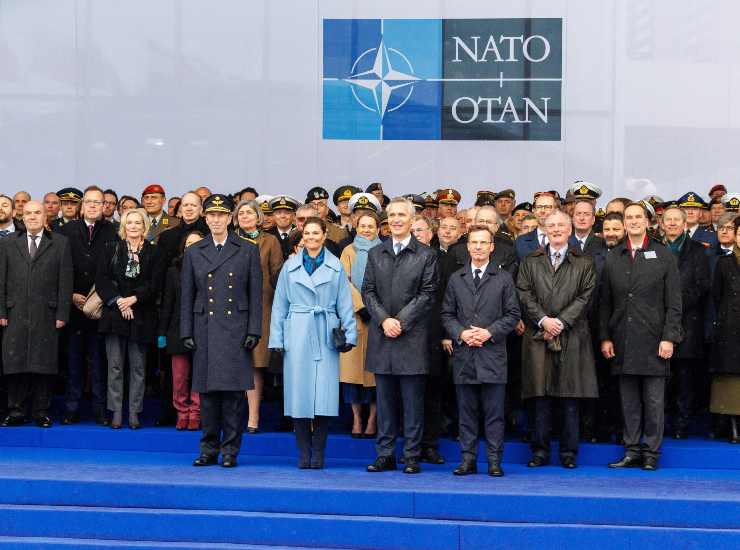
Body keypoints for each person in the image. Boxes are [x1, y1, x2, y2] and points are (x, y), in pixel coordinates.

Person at [181, 194, 262, 469]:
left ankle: (230, 451)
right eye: (211, 215)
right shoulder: (194, 251)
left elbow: (255, 295)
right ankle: (208, 449)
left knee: (233, 396)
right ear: (205, 219)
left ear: (230, 218)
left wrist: (254, 330)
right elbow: (187, 295)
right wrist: (186, 331)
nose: (216, 220)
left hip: (235, 328)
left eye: (221, 215)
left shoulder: (247, 249)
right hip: (205, 328)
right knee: (207, 395)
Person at [601, 203, 683, 471]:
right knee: (629, 402)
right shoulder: (615, 255)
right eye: (629, 217)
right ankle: (632, 450)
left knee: (654, 401)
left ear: (648, 221)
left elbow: (674, 303)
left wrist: (669, 337)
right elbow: (605, 302)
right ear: (624, 223)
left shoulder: (663, 254)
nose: (634, 221)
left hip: (654, 340)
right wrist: (605, 337)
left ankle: (651, 453)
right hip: (622, 339)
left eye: (638, 216)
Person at [269, 216, 356, 468]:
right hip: (297, 331)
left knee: (323, 395)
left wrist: (349, 335)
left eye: (316, 233)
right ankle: (303, 452)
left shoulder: (336, 266)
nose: (311, 237)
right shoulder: (289, 266)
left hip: (325, 332)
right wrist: (277, 338)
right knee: (298, 395)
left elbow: (345, 302)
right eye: (307, 233)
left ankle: (318, 452)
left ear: (325, 235)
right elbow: (279, 305)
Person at [516, 210, 597, 468]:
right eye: (551, 226)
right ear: (545, 230)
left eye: (562, 225)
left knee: (569, 397)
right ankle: (539, 452)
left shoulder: (584, 262)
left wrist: (560, 322)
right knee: (540, 397)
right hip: (538, 335)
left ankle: (568, 453)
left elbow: (586, 296)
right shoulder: (530, 261)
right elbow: (523, 293)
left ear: (570, 230)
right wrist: (544, 320)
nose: (557, 229)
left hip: (572, 336)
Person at [362, 198, 438, 474]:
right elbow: (368, 291)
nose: (395, 219)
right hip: (383, 336)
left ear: (411, 219)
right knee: (384, 403)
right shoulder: (376, 253)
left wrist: (400, 322)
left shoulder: (426, 254)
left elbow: (427, 294)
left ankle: (411, 455)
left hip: (412, 338)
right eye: (391, 215)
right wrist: (384, 320)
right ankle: (385, 454)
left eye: (401, 215)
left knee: (412, 403)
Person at [441, 225, 520, 476]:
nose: (478, 247)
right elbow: (447, 314)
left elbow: (513, 314)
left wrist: (489, 332)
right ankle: (468, 460)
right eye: (474, 242)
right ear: (467, 246)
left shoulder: (503, 278)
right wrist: (461, 333)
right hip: (465, 355)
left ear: (491, 247)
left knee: (494, 414)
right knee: (466, 413)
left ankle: (494, 461)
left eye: (483, 242)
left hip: (492, 354)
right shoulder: (456, 278)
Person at [0, 201, 73, 427]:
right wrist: (1, 311)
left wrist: (62, 313)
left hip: (47, 313)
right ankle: (16, 411)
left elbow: (66, 281)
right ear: (21, 217)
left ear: (45, 217)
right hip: (15, 312)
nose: (32, 217)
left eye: (37, 213)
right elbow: (1, 280)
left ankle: (41, 411)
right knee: (16, 363)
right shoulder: (7, 243)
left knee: (44, 364)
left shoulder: (60, 243)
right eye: (28, 213)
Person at [96, 208, 164, 429]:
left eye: (138, 222)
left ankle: (134, 412)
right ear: (124, 226)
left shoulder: (155, 252)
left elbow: (155, 284)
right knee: (115, 367)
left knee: (138, 368)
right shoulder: (111, 248)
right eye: (130, 222)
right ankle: (116, 411)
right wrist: (119, 301)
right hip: (114, 315)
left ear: (145, 226)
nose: (133, 226)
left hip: (141, 316)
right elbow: (102, 280)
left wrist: (133, 299)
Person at [61, 186, 119, 425]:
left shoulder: (114, 231)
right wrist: (71, 294)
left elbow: (115, 271)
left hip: (100, 308)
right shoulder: (66, 231)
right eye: (89, 202)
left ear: (105, 206)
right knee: (73, 363)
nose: (94, 206)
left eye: (98, 202)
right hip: (73, 306)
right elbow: (59, 269)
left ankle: (100, 410)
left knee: (99, 364)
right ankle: (71, 409)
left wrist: (100, 297)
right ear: (82, 206)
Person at [660, 206, 711, 439]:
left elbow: (702, 286)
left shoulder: (699, 250)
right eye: (668, 220)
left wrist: (674, 305)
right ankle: (661, 424)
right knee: (661, 380)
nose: (672, 223)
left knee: (684, 379)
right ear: (662, 224)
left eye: (676, 220)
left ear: (684, 224)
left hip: (688, 324)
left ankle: (681, 425)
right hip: (658, 323)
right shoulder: (653, 249)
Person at [234, 199, 283, 433]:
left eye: (249, 212)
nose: (245, 216)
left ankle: (253, 417)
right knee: (232, 363)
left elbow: (278, 276)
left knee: (254, 365)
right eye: (241, 213)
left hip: (262, 308)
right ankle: (233, 417)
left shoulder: (270, 241)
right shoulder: (229, 239)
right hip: (232, 310)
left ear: (258, 217)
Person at [338, 212, 381, 438]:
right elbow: (342, 281)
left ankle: (372, 420)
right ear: (356, 227)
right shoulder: (348, 251)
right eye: (362, 226)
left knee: (376, 376)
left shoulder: (384, 250)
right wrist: (360, 306)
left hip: (379, 319)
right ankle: (356, 419)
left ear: (378, 229)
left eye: (370, 226)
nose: (366, 230)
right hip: (353, 318)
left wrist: (376, 310)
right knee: (352, 376)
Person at [159, 231, 204, 431]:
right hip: (177, 329)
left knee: (199, 375)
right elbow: (167, 303)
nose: (192, 247)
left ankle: (195, 413)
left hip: (202, 327)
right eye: (189, 244)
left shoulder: (211, 267)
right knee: (179, 377)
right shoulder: (173, 270)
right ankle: (182, 412)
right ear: (183, 247)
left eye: (197, 243)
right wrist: (162, 332)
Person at [709, 217, 740, 443]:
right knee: (731, 380)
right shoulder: (724, 263)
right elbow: (717, 297)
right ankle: (733, 426)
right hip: (731, 327)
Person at [157, 191, 209, 271]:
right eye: (185, 205)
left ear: (201, 209)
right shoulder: (167, 236)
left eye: (193, 205)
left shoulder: (211, 234)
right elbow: (161, 269)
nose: (189, 209)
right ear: (181, 208)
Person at [515, 192, 558, 260]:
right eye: (539, 207)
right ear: (533, 210)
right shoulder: (520, 242)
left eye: (547, 207)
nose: (542, 211)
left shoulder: (566, 240)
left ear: (556, 210)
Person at [267, 195, 299, 260]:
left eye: (287, 213)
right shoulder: (266, 236)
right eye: (278, 213)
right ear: (273, 216)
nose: (282, 216)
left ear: (294, 216)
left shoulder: (301, 235)